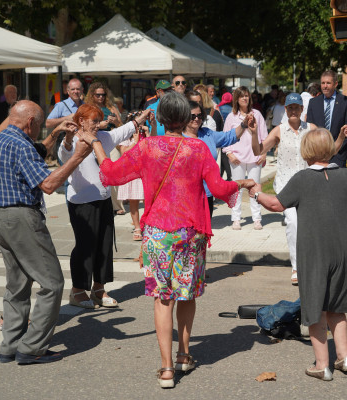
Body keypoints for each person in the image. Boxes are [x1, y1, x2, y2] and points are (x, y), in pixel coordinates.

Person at [92, 92, 255, 389]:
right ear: (187, 118)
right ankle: (183, 354)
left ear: (162, 117)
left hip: (157, 232)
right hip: (190, 231)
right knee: (187, 293)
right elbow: (218, 188)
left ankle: (167, 368)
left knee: (163, 298)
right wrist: (241, 184)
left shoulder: (147, 148)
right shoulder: (197, 148)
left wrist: (94, 144)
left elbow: (112, 174)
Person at [249, 128, 347, 381]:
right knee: (337, 307)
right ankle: (344, 357)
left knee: (315, 308)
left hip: (314, 252)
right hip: (343, 250)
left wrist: (255, 192)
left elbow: (276, 204)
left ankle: (323, 364)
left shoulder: (302, 178)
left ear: (307, 151)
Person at [0, 100, 92, 364]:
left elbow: (34, 153)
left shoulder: (1, 138)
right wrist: (78, 156)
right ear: (31, 122)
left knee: (18, 283)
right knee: (52, 282)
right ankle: (32, 347)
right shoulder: (21, 144)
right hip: (21, 217)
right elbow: (47, 183)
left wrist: (55, 134)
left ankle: (10, 345)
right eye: (39, 126)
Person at [58, 104, 151, 309]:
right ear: (81, 121)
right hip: (81, 202)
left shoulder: (102, 137)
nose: (98, 125)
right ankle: (77, 291)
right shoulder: (71, 140)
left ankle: (99, 288)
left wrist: (141, 117)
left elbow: (123, 131)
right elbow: (64, 157)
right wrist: (67, 138)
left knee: (104, 245)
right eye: (94, 120)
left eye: (99, 120)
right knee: (85, 247)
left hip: (103, 199)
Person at [250, 93, 317, 285]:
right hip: (286, 186)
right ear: (285, 110)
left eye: (297, 107)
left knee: (309, 226)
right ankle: (296, 267)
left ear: (302, 109)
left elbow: (327, 148)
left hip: (308, 183)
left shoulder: (311, 129)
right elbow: (258, 151)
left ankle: (310, 263)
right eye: (290, 108)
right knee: (293, 223)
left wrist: (343, 137)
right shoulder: (279, 130)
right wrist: (254, 133)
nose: (294, 110)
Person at [185, 100, 249, 217]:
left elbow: (229, 136)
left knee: (205, 231)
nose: (196, 119)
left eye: (199, 115)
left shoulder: (208, 134)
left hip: (207, 192)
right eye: (192, 116)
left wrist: (244, 125)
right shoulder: (178, 138)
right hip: (186, 194)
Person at [222, 86, 268, 230]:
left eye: (247, 96)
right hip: (237, 158)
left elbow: (264, 136)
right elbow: (226, 137)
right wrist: (229, 153)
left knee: (255, 188)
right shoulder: (231, 117)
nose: (245, 98)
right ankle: (236, 218)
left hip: (255, 158)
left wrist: (264, 153)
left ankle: (257, 218)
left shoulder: (257, 114)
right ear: (237, 99)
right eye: (242, 96)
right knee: (237, 189)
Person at [306, 70, 347, 167]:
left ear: (335, 84)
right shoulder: (313, 103)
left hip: (339, 155)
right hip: (318, 154)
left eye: (328, 83)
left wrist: (334, 149)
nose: (325, 86)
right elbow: (310, 127)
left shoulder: (346, 102)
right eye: (323, 83)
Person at [117, 122, 147, 240]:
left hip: (144, 172)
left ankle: (148, 225)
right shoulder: (126, 138)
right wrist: (135, 141)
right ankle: (137, 227)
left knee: (148, 201)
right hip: (131, 173)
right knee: (133, 201)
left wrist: (147, 133)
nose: (138, 128)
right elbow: (124, 153)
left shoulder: (145, 136)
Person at [46, 78, 84, 161]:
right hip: (65, 142)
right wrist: (65, 118)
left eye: (78, 89)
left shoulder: (86, 106)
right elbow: (48, 123)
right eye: (73, 89)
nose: (75, 91)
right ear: (68, 91)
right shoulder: (61, 105)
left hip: (82, 143)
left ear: (82, 90)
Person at [218, 92, 234, 181]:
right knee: (225, 155)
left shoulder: (219, 108)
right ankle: (228, 175)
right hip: (230, 134)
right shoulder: (232, 110)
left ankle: (226, 175)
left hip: (220, 133)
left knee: (223, 155)